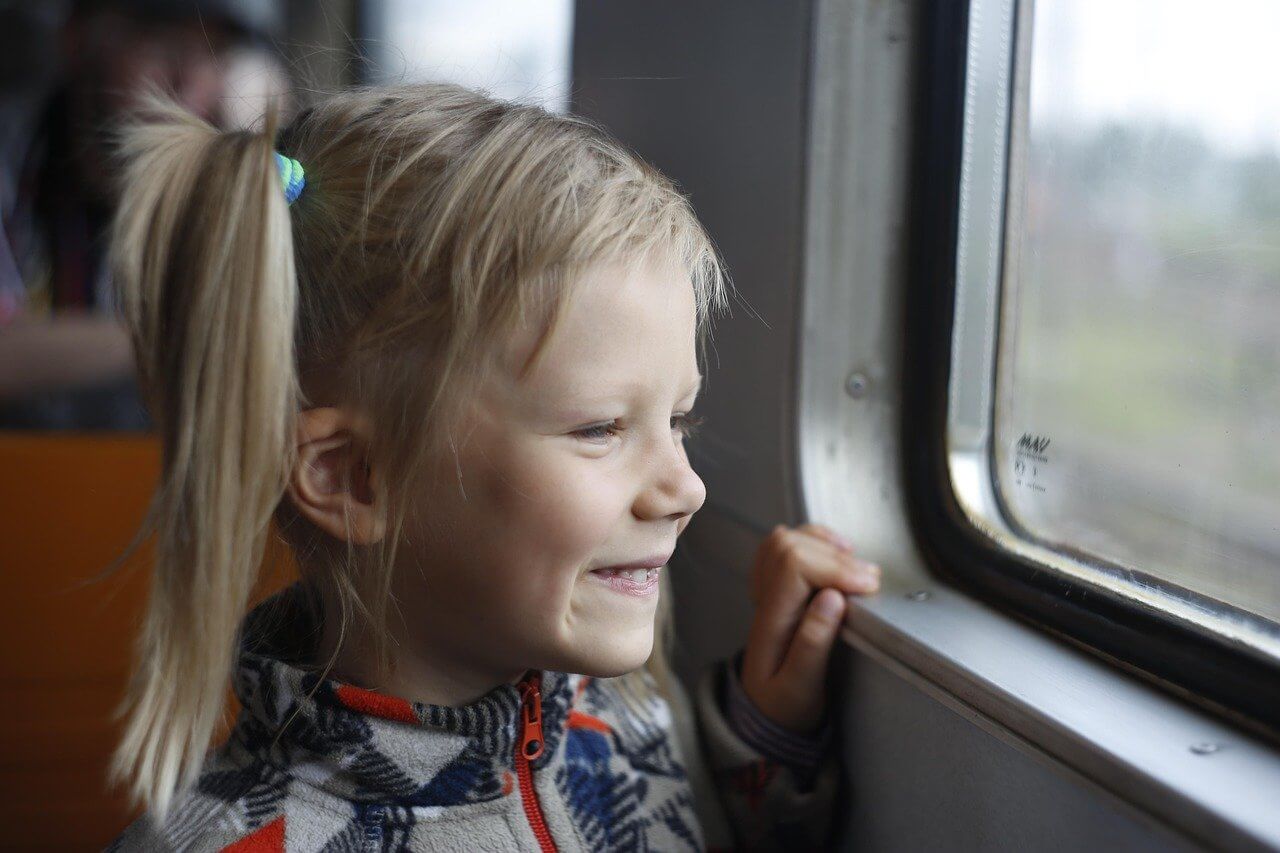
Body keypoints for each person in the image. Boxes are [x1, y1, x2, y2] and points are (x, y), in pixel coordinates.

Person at [105, 84, 882, 851]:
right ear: (351, 475)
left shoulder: (616, 714)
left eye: (677, 419)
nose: (686, 487)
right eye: (601, 427)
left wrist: (762, 733)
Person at [0, 0, 283, 429]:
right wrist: (177, 337)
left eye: (215, 54)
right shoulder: (15, 160)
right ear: (77, 37)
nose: (189, 83)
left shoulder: (223, 182)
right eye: (165, 48)